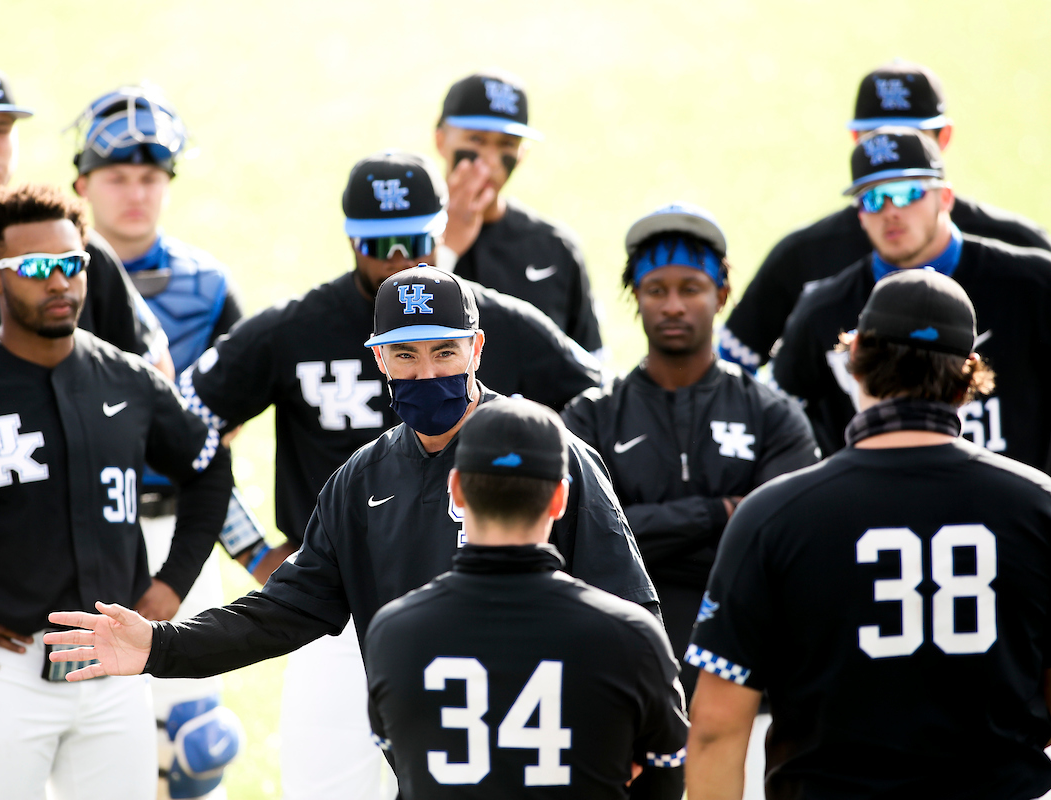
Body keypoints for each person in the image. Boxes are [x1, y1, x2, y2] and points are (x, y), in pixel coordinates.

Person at [44, 266, 655, 797]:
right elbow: (285, 610)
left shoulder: (548, 456)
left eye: (444, 352)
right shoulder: (362, 479)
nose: (426, 373)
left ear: (477, 348)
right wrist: (160, 644)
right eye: (406, 355)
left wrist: (637, 737)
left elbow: (630, 608)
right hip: (432, 762)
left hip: (545, 753)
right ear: (380, 357)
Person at [175, 150, 602, 797]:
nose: (400, 258)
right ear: (351, 238)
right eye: (381, 244)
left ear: (441, 231)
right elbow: (183, 431)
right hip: (331, 606)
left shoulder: (492, 322)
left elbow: (607, 412)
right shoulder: (296, 328)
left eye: (416, 240)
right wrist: (253, 547)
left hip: (483, 595)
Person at [0, 183, 232, 799]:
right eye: (34, 268)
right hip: (3, 676)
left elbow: (209, 467)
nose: (59, 282)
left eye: (70, 264)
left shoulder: (129, 379)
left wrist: (172, 584)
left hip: (115, 675)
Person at [686, 269, 1051, 800]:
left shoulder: (774, 515)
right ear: (968, 373)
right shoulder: (1038, 506)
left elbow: (717, 725)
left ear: (854, 356)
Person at [70, 84, 253, 800]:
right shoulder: (47, 276)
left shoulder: (208, 284)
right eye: (117, 177)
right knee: (88, 728)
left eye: (150, 178)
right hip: (83, 526)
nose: (135, 194)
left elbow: (233, 406)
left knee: (199, 742)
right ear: (82, 183)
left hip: (181, 520)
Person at [364, 397, 688, 800]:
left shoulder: (394, 632)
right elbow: (664, 778)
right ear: (560, 497)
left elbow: (404, 759)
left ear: (457, 490)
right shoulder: (630, 634)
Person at [562, 203, 817, 699]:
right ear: (635, 296)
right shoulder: (589, 417)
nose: (673, 305)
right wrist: (720, 511)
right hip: (624, 670)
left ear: (721, 295)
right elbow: (580, 542)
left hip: (752, 671)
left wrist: (641, 524)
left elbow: (781, 544)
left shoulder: (774, 416)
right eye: (656, 290)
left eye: (691, 289)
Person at [718, 59, 1051, 374]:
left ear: (943, 138)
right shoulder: (803, 258)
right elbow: (730, 373)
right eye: (877, 139)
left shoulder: (1023, 253)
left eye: (912, 137)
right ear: (855, 143)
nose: (893, 149)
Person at [770, 128, 1051, 467]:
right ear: (859, 214)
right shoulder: (822, 310)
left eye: (906, 192)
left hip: (1015, 513)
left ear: (945, 197)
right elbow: (776, 418)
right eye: (872, 199)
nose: (890, 211)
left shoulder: (1034, 284)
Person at [432, 71, 603, 356]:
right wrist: (447, 247)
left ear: (522, 154)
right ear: (441, 140)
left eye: (506, 144)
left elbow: (592, 365)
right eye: (476, 139)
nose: (489, 160)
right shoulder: (404, 233)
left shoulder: (554, 248)